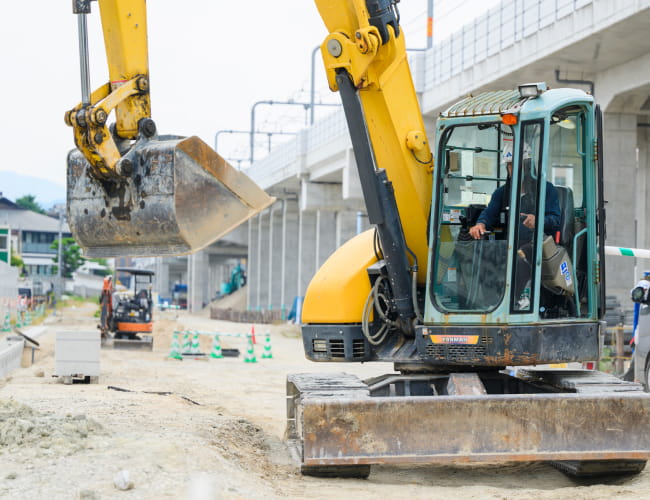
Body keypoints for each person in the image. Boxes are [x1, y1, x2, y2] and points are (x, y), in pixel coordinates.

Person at [469, 143, 561, 309]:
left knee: (522, 254)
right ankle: (489, 304)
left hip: (539, 245)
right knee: (485, 253)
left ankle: (511, 303)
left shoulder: (546, 190)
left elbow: (555, 220)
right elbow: (489, 214)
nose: (512, 169)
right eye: (509, 165)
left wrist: (538, 221)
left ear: (528, 164)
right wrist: (480, 224)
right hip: (510, 245)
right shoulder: (502, 193)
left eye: (516, 165)